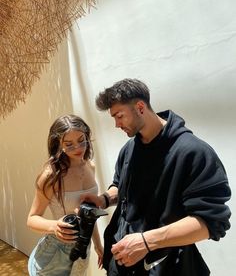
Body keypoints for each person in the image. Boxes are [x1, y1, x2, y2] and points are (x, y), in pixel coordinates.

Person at [80, 78, 231, 275]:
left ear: (140, 107)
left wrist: (146, 242)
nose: (116, 124)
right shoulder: (129, 149)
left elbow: (211, 222)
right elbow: (121, 186)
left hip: (167, 267)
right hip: (121, 263)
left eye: (119, 116)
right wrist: (104, 199)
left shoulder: (193, 153)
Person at [27, 114, 103, 276]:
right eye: (69, 144)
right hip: (54, 253)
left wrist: (98, 245)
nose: (77, 148)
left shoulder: (91, 166)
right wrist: (54, 226)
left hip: (83, 248)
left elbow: (89, 213)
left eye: (81, 140)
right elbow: (32, 219)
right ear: (58, 144)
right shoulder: (51, 175)